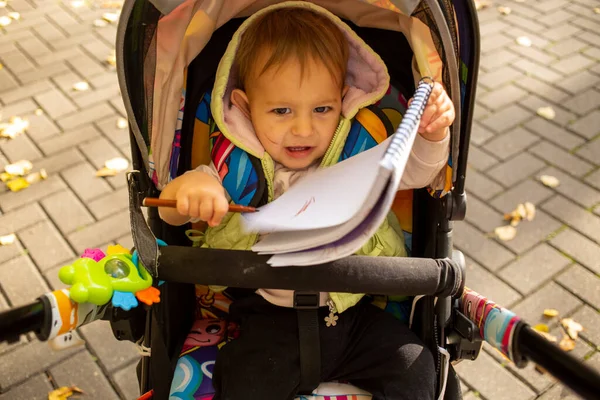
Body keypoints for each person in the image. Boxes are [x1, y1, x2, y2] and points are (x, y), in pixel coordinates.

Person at [160, 3, 454, 399]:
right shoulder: (231, 168)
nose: (303, 128)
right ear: (246, 107)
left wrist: (432, 136)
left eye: (322, 109)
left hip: (353, 315)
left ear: (343, 98)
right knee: (240, 383)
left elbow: (417, 171)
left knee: (417, 366)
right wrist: (190, 194)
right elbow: (171, 213)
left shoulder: (357, 150)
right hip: (268, 320)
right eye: (281, 110)